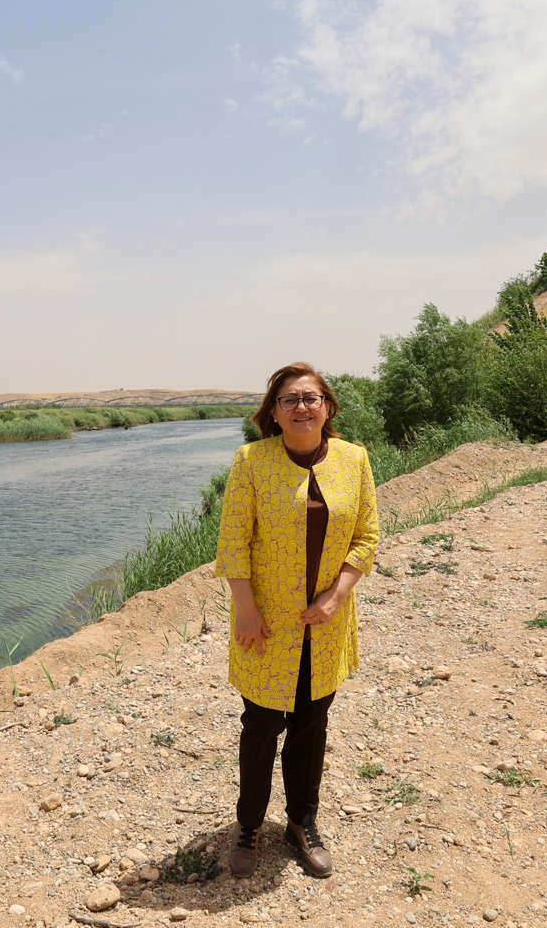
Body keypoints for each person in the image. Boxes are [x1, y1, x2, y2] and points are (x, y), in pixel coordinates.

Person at [214, 361, 379, 879]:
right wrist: (245, 607)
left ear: (327, 406)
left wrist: (336, 595)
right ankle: (248, 825)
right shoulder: (252, 461)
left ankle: (301, 824)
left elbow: (367, 537)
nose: (301, 407)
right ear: (274, 413)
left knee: (312, 725)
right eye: (290, 400)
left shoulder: (355, 459)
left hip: (326, 623)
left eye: (311, 398)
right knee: (261, 727)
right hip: (263, 623)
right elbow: (233, 541)